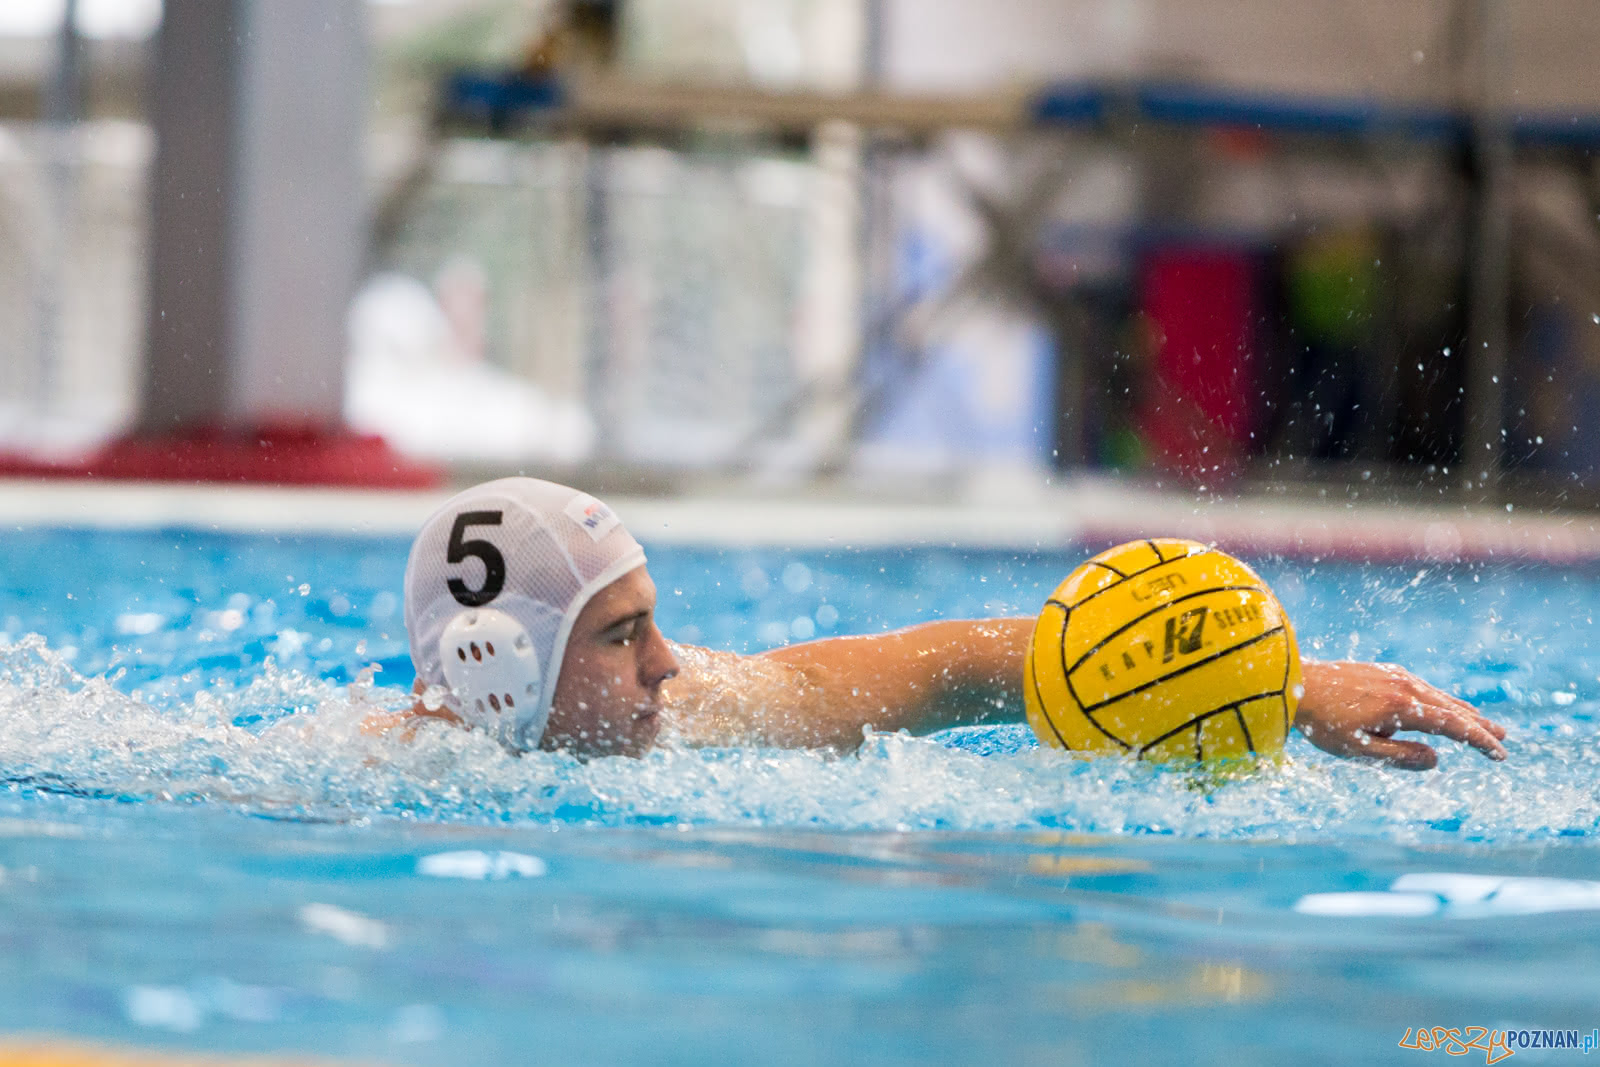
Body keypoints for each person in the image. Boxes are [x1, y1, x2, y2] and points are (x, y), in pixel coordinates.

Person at [378, 477, 1508, 770]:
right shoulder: (375, 783)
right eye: (620, 635)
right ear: (496, 667)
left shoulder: (705, 716)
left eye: (652, 621)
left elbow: (939, 668)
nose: (668, 663)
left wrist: (1272, 680)